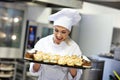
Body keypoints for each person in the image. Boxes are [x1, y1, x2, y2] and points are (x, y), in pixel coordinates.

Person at [29, 8, 82, 80]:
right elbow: (34, 71)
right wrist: (38, 61)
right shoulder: (43, 43)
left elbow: (75, 77)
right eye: (56, 30)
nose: (59, 35)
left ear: (69, 32)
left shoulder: (74, 48)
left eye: (63, 32)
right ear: (53, 28)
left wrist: (72, 65)